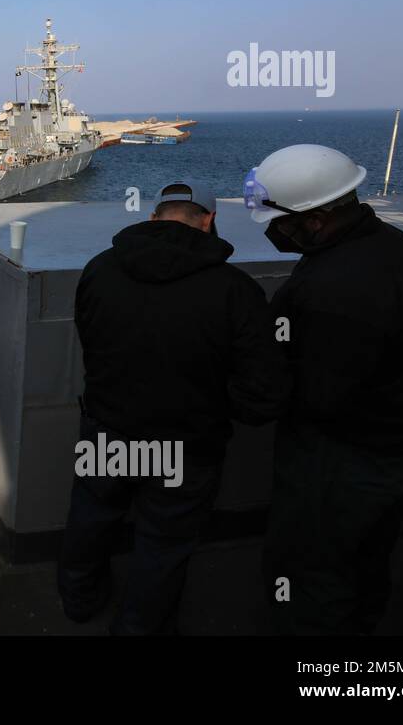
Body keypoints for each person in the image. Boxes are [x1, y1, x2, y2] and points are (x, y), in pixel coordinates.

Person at [60, 180, 289, 634]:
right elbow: (260, 387)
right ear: (209, 220)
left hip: (110, 427)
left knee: (92, 515)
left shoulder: (100, 269)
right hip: (188, 442)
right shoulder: (234, 289)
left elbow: (90, 339)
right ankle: (139, 626)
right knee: (164, 541)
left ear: (153, 219)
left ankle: (79, 599)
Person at [245, 144, 403, 634]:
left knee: (314, 569)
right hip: (396, 443)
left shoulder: (334, 289)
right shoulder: (388, 242)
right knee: (365, 556)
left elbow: (319, 395)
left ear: (314, 220)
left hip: (346, 457)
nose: (273, 232)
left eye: (278, 222)